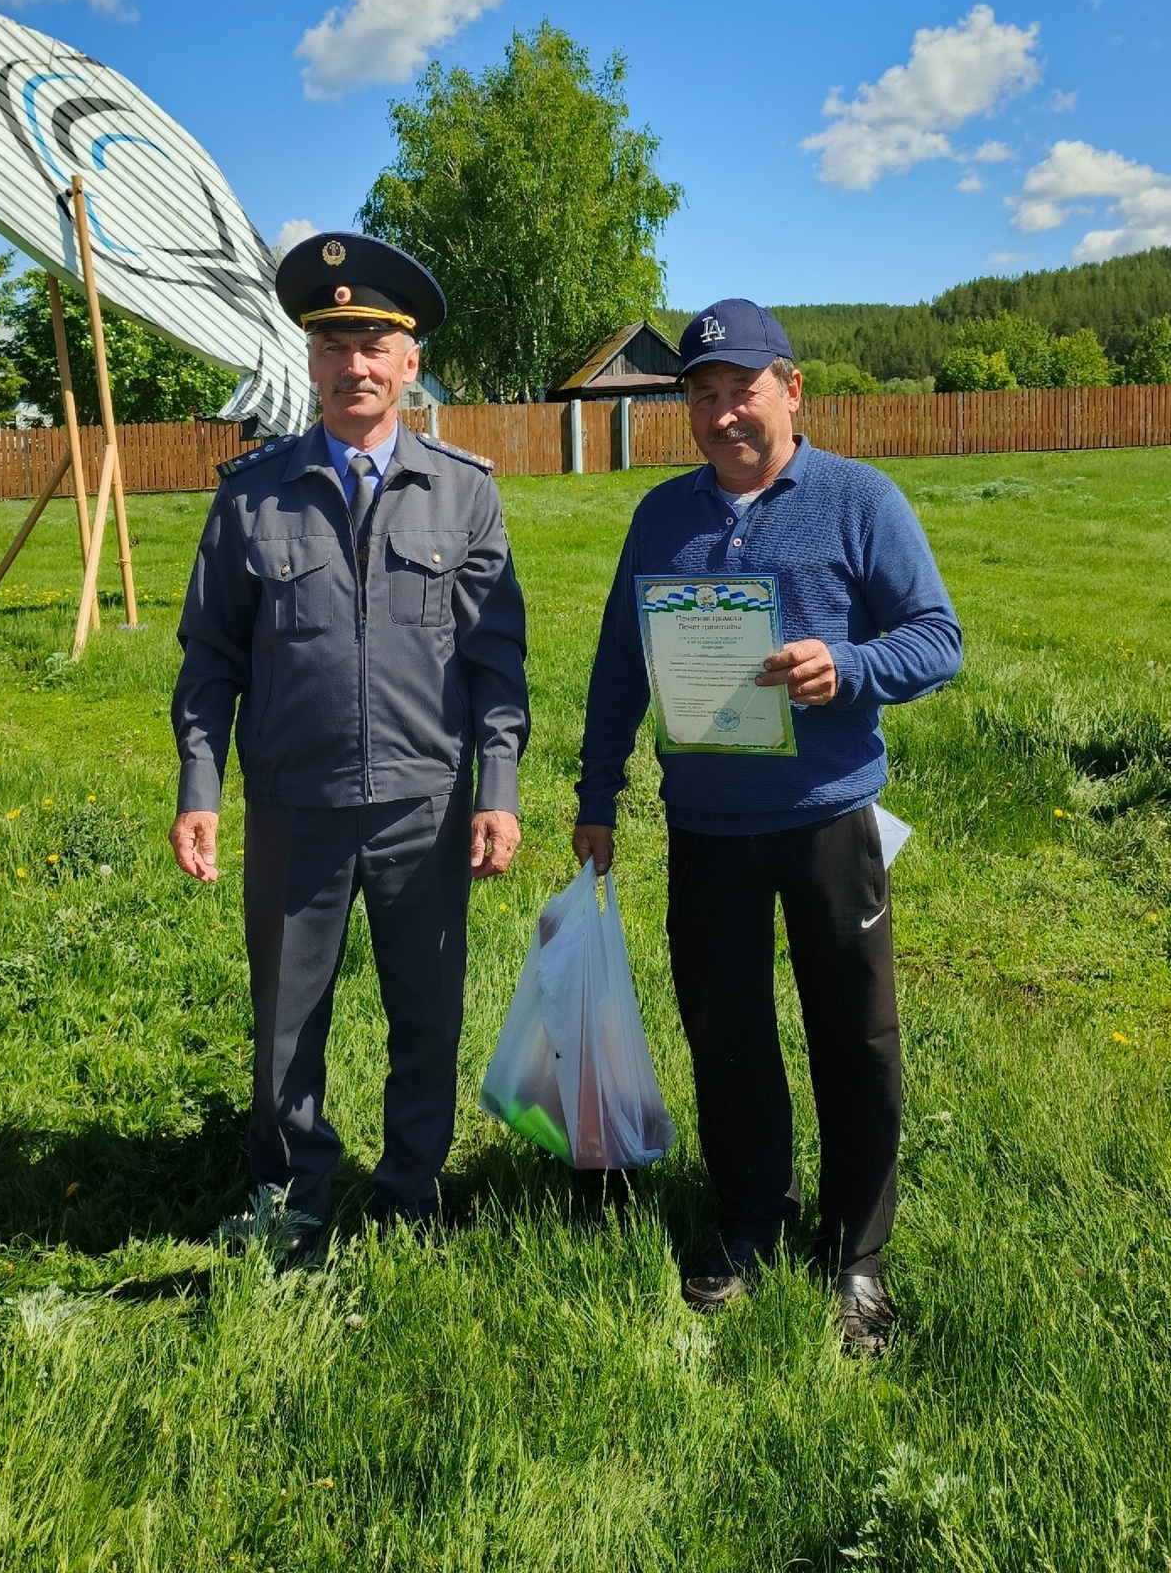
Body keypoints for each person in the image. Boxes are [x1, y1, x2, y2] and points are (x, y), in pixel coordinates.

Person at [572, 298, 962, 1350]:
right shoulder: (662, 516)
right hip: (708, 825)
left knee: (858, 1038)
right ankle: (750, 1223)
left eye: (741, 390)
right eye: (701, 395)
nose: (722, 413)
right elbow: (621, 664)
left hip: (829, 819)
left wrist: (852, 667)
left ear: (791, 390)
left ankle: (857, 1257)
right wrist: (596, 793)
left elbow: (939, 638)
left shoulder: (857, 500)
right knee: (727, 1034)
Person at [170, 232, 529, 1251]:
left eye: (373, 343)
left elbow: (496, 663)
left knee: (428, 1016)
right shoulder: (253, 493)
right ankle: (289, 1196)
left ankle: (412, 1191)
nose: (353, 366)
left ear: (410, 362)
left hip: (426, 802)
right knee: (286, 1017)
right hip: (296, 801)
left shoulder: (465, 493)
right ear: (309, 362)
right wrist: (202, 783)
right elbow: (210, 658)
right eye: (331, 345)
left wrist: (495, 787)